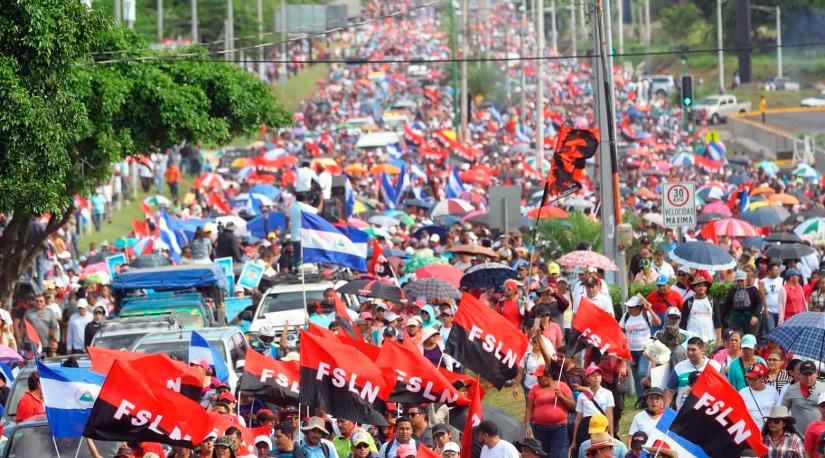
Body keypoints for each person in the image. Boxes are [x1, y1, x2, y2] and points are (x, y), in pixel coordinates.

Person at [525, 362, 575, 458]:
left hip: (559, 427)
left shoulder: (562, 386)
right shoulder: (534, 389)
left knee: (557, 454)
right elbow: (529, 409)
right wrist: (527, 426)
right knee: (543, 454)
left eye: (540, 377)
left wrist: (561, 397)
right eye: (537, 377)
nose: (538, 380)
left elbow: (573, 405)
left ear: (548, 376)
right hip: (540, 428)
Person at [619, 295, 661, 407]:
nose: (630, 309)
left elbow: (658, 322)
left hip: (645, 350)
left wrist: (650, 309)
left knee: (641, 374)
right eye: (629, 307)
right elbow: (620, 330)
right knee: (636, 376)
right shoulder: (626, 316)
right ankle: (640, 400)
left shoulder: (645, 315)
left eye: (632, 307)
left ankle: (646, 398)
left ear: (639, 307)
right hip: (631, 351)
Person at [664, 337, 721, 410]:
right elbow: (669, 391)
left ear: (702, 350)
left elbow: (724, 389)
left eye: (693, 350)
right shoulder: (679, 367)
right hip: (684, 415)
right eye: (688, 349)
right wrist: (665, 414)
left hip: (708, 414)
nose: (690, 352)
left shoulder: (715, 366)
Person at [572, 367, 615, 453]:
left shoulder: (607, 393)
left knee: (602, 450)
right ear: (587, 378)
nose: (596, 377)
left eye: (598, 375)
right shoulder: (582, 396)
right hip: (586, 426)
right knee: (587, 450)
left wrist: (611, 435)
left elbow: (609, 416)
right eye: (593, 375)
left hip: (602, 424)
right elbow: (578, 419)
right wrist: (574, 440)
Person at [782, 361, 825, 438]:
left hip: (821, 437)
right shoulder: (791, 390)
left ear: (816, 373)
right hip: (798, 439)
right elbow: (783, 412)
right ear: (800, 375)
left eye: (811, 374)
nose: (808, 377)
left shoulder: (823, 387)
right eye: (805, 374)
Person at [679, 272, 722, 345]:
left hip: (710, 340)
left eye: (704, 286)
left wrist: (718, 341)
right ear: (694, 288)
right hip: (693, 340)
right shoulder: (689, 302)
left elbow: (717, 322)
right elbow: (683, 323)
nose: (701, 288)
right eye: (699, 286)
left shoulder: (712, 301)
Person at [740, 362, 779, 429]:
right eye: (748, 379)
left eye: (754, 379)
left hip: (768, 432)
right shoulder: (742, 392)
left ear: (762, 378)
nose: (750, 382)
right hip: (749, 432)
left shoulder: (772, 391)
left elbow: (778, 410)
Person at [724, 270, 764, 336]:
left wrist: (756, 315)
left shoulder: (753, 290)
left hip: (750, 318)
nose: (740, 283)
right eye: (738, 281)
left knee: (750, 338)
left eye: (742, 281)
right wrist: (723, 319)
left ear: (746, 280)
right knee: (736, 336)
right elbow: (727, 305)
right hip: (736, 318)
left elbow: (759, 303)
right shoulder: (733, 290)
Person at [761, 262, 784, 331]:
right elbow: (762, 297)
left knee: (780, 330)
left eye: (777, 270)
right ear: (769, 271)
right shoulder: (762, 282)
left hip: (780, 310)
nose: (777, 272)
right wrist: (764, 310)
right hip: (769, 310)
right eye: (775, 270)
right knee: (771, 330)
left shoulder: (782, 281)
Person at [803, 393, 825, 458]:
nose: (824, 408)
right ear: (819, 407)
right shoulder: (812, 427)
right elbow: (807, 452)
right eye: (822, 405)